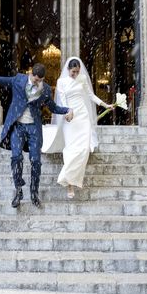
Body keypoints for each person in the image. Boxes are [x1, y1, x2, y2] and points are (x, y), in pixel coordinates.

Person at [0, 48, 73, 208]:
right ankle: (18, 190)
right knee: (16, 158)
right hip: (17, 126)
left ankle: (34, 192)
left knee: (36, 161)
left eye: (40, 80)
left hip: (34, 128)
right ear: (31, 74)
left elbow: (53, 107)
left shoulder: (46, 89)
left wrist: (67, 110)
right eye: (35, 79)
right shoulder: (18, 80)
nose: (37, 82)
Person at [42, 57, 111, 199]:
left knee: (84, 149)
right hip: (70, 117)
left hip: (83, 117)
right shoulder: (61, 82)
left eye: (77, 72)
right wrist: (67, 112)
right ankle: (70, 185)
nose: (75, 74)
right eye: (73, 72)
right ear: (68, 70)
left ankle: (72, 178)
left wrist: (105, 104)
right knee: (71, 149)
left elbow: (90, 95)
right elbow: (62, 99)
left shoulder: (82, 78)